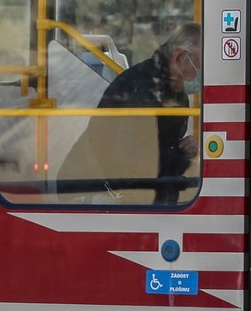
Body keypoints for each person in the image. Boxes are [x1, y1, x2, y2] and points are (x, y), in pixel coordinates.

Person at [57, 23, 202, 205]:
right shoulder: (143, 89)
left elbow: (156, 149)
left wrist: (181, 151)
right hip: (89, 190)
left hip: (125, 186)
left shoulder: (174, 92)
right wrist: (192, 174)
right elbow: (134, 159)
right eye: (200, 67)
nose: (202, 77)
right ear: (179, 58)